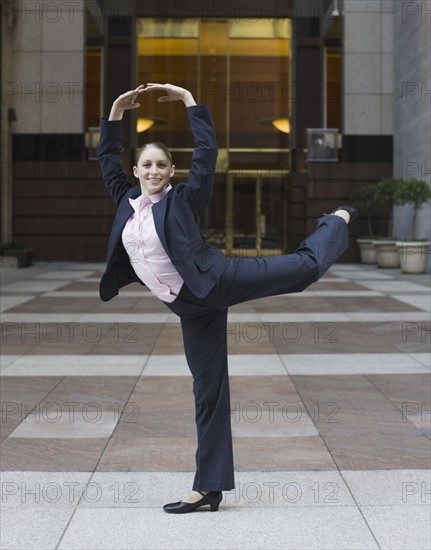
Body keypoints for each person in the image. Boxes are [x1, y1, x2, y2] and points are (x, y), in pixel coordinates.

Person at [98, 82, 356, 514]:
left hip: (218, 280)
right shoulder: (125, 201)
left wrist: (188, 101)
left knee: (304, 270)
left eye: (162, 164)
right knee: (208, 392)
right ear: (137, 170)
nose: (154, 171)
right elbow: (107, 161)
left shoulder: (181, 200)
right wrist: (115, 112)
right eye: (147, 164)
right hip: (190, 308)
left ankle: (336, 221)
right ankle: (209, 486)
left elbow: (205, 156)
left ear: (171, 170)